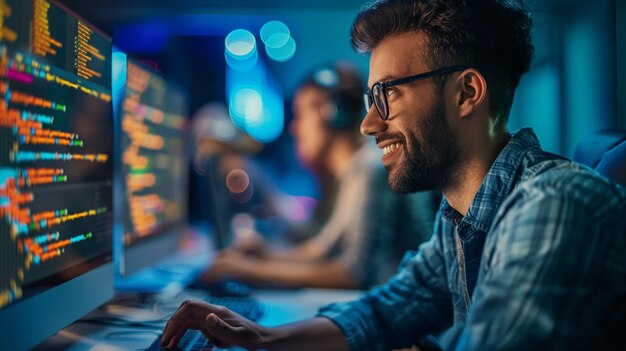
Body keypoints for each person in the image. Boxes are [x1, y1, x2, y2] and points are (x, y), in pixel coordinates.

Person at [160, 0, 626, 350]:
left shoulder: (556, 204)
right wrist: (264, 338)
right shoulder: (460, 216)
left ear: (466, 93)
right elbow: (385, 311)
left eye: (387, 95)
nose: (368, 124)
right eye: (369, 99)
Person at [201, 63, 439, 290]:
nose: (294, 128)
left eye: (301, 114)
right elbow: (322, 246)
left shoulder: (370, 167)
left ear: (332, 114)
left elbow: (356, 273)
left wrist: (254, 270)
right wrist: (268, 256)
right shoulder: (351, 172)